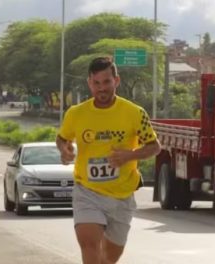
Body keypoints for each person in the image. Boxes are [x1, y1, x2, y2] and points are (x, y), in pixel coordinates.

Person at [56, 56, 161, 264]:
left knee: (108, 259)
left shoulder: (134, 113)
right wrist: (64, 149)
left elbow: (154, 147)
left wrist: (129, 155)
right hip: (87, 192)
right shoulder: (76, 113)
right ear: (89, 83)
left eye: (106, 82)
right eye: (96, 83)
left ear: (117, 81)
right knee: (89, 245)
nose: (101, 88)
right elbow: (62, 138)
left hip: (122, 196)